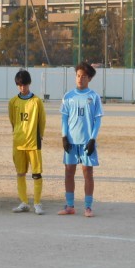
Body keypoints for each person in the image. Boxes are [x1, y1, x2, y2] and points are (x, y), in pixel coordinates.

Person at [58, 62, 103, 218]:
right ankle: (70, 206)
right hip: (71, 141)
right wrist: (64, 137)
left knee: (87, 172)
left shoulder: (94, 97)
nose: (80, 79)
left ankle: (88, 207)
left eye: (83, 76)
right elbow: (64, 118)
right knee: (69, 171)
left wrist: (92, 139)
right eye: (78, 75)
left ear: (89, 78)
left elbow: (98, 120)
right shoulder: (68, 96)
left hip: (86, 141)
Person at [8, 70, 47, 215]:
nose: (22, 87)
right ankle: (24, 202)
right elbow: (13, 120)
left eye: (24, 84)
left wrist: (39, 135)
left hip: (33, 143)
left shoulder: (36, 101)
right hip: (18, 143)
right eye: (19, 85)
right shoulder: (13, 102)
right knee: (20, 173)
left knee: (36, 174)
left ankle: (37, 203)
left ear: (29, 83)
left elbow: (42, 120)